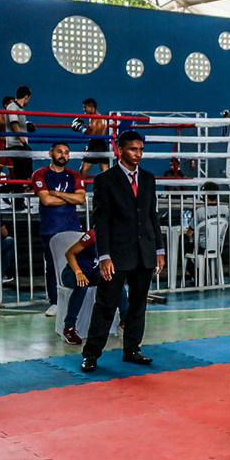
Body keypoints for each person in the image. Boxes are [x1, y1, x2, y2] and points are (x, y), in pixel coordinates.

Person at [80, 130, 165, 373]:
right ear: (120, 150)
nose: (138, 154)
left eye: (140, 149)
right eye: (132, 149)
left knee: (138, 304)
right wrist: (104, 255)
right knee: (106, 305)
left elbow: (152, 216)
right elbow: (101, 221)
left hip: (144, 252)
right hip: (116, 255)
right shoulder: (105, 180)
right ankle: (91, 354)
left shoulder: (148, 178)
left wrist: (159, 249)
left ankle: (132, 349)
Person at [32, 143, 85, 317]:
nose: (63, 155)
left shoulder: (74, 175)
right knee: (53, 267)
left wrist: (58, 194)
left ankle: (76, 299)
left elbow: (81, 199)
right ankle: (55, 302)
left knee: (76, 264)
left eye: (66, 153)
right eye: (59, 152)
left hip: (72, 227)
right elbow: (46, 200)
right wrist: (70, 198)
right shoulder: (39, 174)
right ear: (51, 153)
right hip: (50, 228)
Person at [4, 86, 33, 201]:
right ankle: (6, 189)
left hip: (19, 144)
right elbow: (14, 125)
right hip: (15, 145)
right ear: (26, 97)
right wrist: (23, 142)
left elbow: (18, 124)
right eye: (28, 98)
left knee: (21, 174)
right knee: (24, 172)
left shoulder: (20, 109)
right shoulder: (12, 107)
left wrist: (27, 126)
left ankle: (18, 200)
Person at [72, 98, 109, 179]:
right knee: (106, 172)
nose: (84, 110)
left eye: (85, 107)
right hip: (103, 145)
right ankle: (109, 191)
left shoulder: (93, 118)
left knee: (83, 170)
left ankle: (82, 191)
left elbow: (91, 133)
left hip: (94, 145)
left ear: (91, 107)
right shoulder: (102, 117)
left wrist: (81, 128)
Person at [0, 96, 15, 184]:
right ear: (6, 105)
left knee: (13, 171)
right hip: (0, 143)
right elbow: (2, 126)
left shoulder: (16, 117)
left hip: (11, 144)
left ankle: (13, 195)